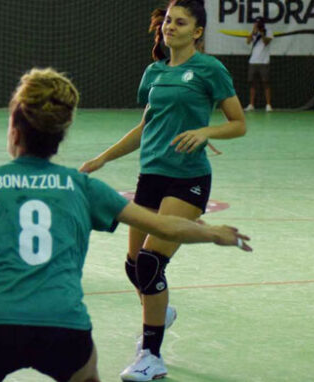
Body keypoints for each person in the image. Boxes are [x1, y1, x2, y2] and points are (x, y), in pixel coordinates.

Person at [0, 68, 252, 382]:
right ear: (61, 135)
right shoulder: (83, 188)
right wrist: (213, 233)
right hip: (65, 330)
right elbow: (163, 227)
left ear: (14, 128)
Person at [79, 1, 246, 380]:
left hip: (188, 178)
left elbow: (238, 123)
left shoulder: (209, 69)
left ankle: (151, 357)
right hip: (150, 176)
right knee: (135, 266)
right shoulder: (154, 72)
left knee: (152, 262)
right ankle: (161, 312)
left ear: (197, 32)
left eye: (180, 22)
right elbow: (146, 127)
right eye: (168, 20)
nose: (170, 27)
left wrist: (206, 131)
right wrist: (103, 158)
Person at [244, 16, 274, 112]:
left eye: (258, 23)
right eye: (256, 23)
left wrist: (261, 33)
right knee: (252, 83)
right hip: (253, 61)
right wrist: (253, 32)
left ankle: (268, 105)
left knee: (266, 83)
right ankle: (251, 104)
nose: (257, 25)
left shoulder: (268, 31)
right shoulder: (254, 32)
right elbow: (248, 42)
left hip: (264, 61)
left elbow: (266, 42)